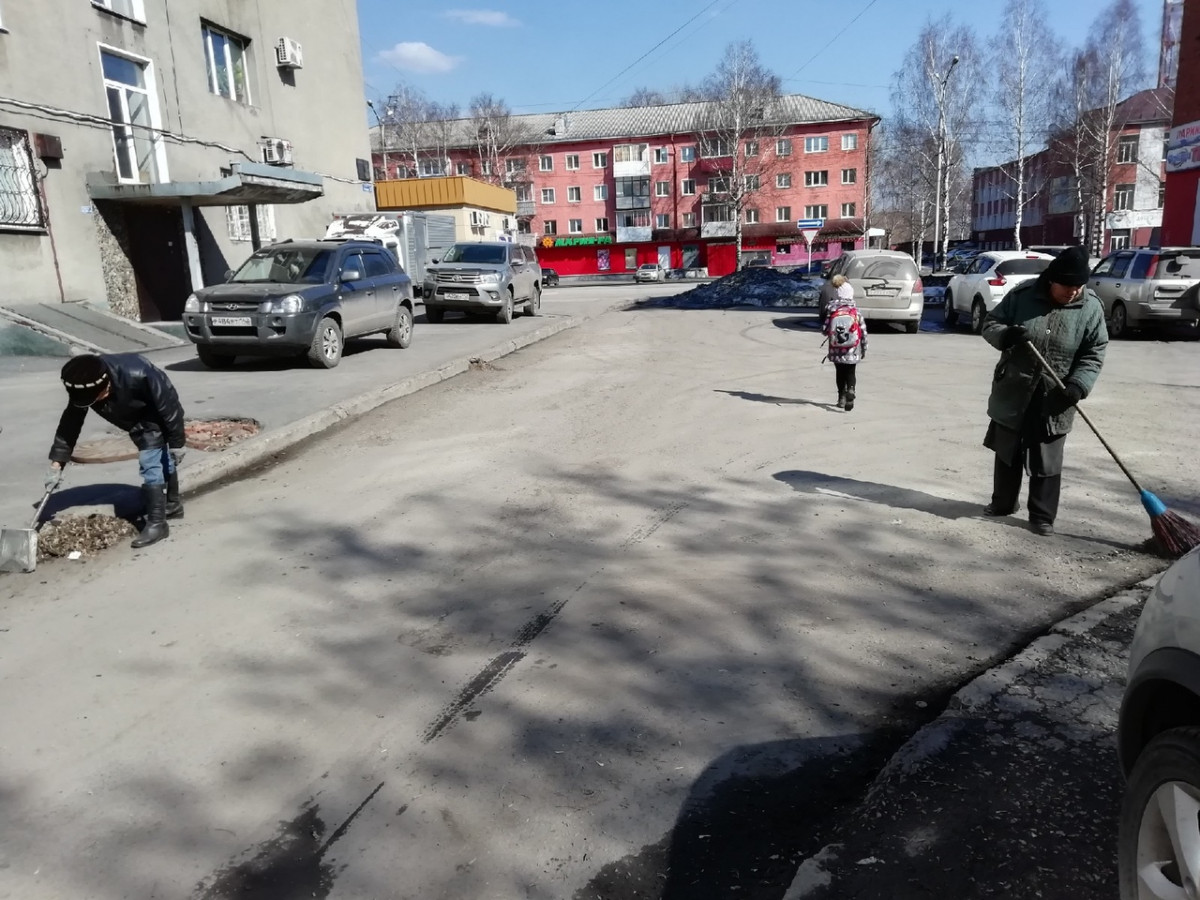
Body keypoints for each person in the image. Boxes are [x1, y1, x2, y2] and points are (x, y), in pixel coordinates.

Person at [980, 245, 1107, 536]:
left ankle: (1042, 516)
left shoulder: (1090, 308)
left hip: (1057, 392)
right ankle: (1002, 503)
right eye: (1067, 286)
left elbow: (1094, 351)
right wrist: (1007, 335)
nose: (1072, 292)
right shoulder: (1023, 296)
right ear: (1052, 279)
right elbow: (991, 323)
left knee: (1047, 456)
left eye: (1078, 286)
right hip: (1015, 386)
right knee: (1007, 448)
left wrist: (1079, 384)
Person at [45, 353, 187, 548]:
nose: (95, 403)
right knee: (162, 459)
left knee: (150, 462)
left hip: (153, 412)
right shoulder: (83, 383)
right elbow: (70, 424)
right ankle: (172, 505)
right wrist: (56, 464)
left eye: (97, 398)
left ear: (107, 385)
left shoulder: (139, 373)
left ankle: (157, 524)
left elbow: (169, 406)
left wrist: (177, 442)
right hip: (133, 419)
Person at [823, 275, 868, 411]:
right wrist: (864, 347)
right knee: (850, 372)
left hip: (836, 349)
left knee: (840, 373)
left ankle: (841, 398)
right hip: (852, 349)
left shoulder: (832, 311)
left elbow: (825, 330)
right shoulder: (855, 312)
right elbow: (863, 332)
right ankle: (852, 389)